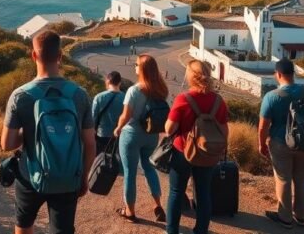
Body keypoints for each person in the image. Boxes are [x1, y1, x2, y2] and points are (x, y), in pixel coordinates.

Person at [1, 30, 95, 234]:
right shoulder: (79, 94)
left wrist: (28, 132)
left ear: (33, 56)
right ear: (60, 56)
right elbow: (89, 143)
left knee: (24, 225)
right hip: (68, 176)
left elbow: (7, 144)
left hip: (29, 175)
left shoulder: (20, 96)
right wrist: (84, 176)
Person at [165, 60, 229, 234]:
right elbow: (224, 129)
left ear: (191, 76)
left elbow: (169, 129)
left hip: (183, 151)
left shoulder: (183, 99)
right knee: (203, 193)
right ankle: (201, 231)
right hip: (208, 154)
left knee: (176, 191)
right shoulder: (218, 101)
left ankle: (171, 231)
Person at [258, 58, 304, 228]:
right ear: (293, 74)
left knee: (283, 178)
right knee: (301, 177)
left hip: (280, 142)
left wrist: (261, 144)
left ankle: (285, 217)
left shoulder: (271, 97)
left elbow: (263, 126)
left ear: (278, 75)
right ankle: (301, 216)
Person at [113, 54, 168, 224]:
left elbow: (126, 116)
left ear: (142, 69)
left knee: (129, 173)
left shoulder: (134, 90)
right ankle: (158, 206)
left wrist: (118, 128)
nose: (134, 67)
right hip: (151, 135)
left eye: (136, 64)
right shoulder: (161, 89)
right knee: (149, 168)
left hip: (132, 134)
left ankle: (130, 211)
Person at [92, 71, 124, 153]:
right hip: (119, 135)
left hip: (102, 134)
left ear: (107, 81)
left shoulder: (99, 97)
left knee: (100, 160)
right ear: (120, 82)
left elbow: (93, 117)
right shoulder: (125, 98)